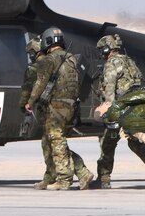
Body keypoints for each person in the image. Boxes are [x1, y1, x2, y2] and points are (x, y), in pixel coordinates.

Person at [20, 35, 93, 190]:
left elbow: (40, 83)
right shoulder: (72, 59)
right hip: (71, 105)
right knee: (50, 142)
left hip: (56, 105)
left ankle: (64, 179)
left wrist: (30, 102)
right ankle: (66, 174)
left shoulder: (49, 60)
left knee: (57, 141)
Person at [92, 34, 145, 189]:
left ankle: (104, 179)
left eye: (102, 50)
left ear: (106, 49)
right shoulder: (129, 61)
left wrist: (107, 110)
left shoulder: (111, 64)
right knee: (135, 142)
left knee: (108, 143)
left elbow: (110, 92)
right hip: (135, 107)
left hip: (120, 109)